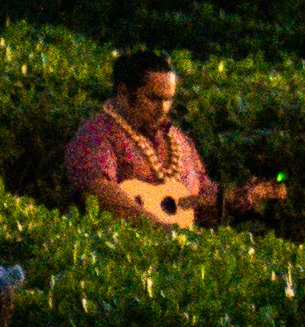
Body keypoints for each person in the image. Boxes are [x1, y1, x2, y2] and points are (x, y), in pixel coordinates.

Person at [65, 50, 209, 229]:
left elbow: (200, 196)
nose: (163, 109)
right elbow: (96, 190)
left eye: (168, 100)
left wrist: (239, 198)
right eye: (153, 98)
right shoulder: (96, 134)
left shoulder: (180, 140)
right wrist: (158, 227)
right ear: (124, 93)